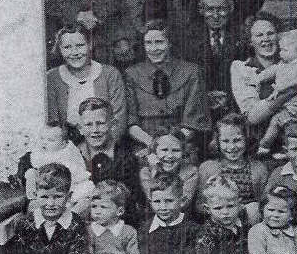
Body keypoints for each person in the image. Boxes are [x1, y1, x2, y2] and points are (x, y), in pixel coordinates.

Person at [124, 19, 210, 154]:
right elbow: (131, 122)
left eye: (159, 42)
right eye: (148, 43)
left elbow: (193, 121)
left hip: (182, 146)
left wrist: (170, 145)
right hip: (144, 146)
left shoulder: (191, 71)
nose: (153, 49)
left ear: (170, 43)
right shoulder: (132, 74)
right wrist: (152, 145)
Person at [47, 24, 127, 144]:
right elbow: (53, 121)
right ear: (60, 49)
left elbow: (119, 119)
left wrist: (102, 148)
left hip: (106, 145)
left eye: (80, 46)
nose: (74, 52)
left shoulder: (110, 74)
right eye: (67, 47)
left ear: (89, 45)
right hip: (67, 147)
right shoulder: (52, 77)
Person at [251, 29, 297, 156]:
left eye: (285, 50)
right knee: (281, 123)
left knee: (286, 125)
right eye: (281, 49)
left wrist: (280, 88)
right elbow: (274, 69)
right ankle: (277, 147)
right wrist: (260, 77)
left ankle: (267, 146)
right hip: (291, 104)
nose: (281, 53)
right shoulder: (286, 63)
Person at [180, 0, 245, 120]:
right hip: (199, 112)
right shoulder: (187, 39)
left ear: (231, 8)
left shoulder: (243, 36)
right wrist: (205, 96)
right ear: (201, 10)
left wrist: (229, 98)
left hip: (235, 109)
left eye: (221, 9)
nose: (215, 16)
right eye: (210, 9)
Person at [77, 97, 142, 227]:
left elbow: (128, 202)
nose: (95, 130)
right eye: (88, 125)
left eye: (100, 123)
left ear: (112, 124)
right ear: (80, 128)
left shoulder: (126, 158)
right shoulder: (74, 154)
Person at [196, 113, 268, 226]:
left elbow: (265, 204)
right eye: (225, 141)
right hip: (217, 224)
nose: (231, 147)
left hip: (250, 224)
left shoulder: (258, 168)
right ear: (218, 142)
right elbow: (199, 207)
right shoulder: (207, 168)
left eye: (237, 140)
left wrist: (244, 210)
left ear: (247, 139)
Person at [19, 124, 94, 216]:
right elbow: (33, 170)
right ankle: (34, 199)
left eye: (50, 140)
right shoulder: (38, 154)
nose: (44, 142)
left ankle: (72, 213)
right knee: (30, 173)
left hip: (68, 185)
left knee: (85, 195)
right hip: (46, 187)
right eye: (42, 138)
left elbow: (77, 172)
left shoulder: (67, 154)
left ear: (63, 144)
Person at [139, 127, 198, 214]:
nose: (170, 155)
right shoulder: (147, 172)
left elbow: (183, 204)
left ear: (183, 152)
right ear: (154, 151)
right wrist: (156, 170)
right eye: (164, 150)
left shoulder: (190, 172)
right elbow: (152, 202)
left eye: (176, 150)